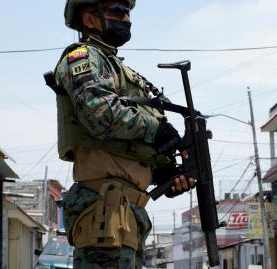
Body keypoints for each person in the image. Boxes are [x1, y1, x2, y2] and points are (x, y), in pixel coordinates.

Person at [54, 0, 195, 268]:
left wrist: (165, 174)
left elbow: (124, 148)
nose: (126, 19)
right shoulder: (84, 57)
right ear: (89, 19)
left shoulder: (117, 68)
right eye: (117, 11)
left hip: (127, 212)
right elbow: (99, 113)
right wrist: (157, 128)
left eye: (129, 12)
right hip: (104, 210)